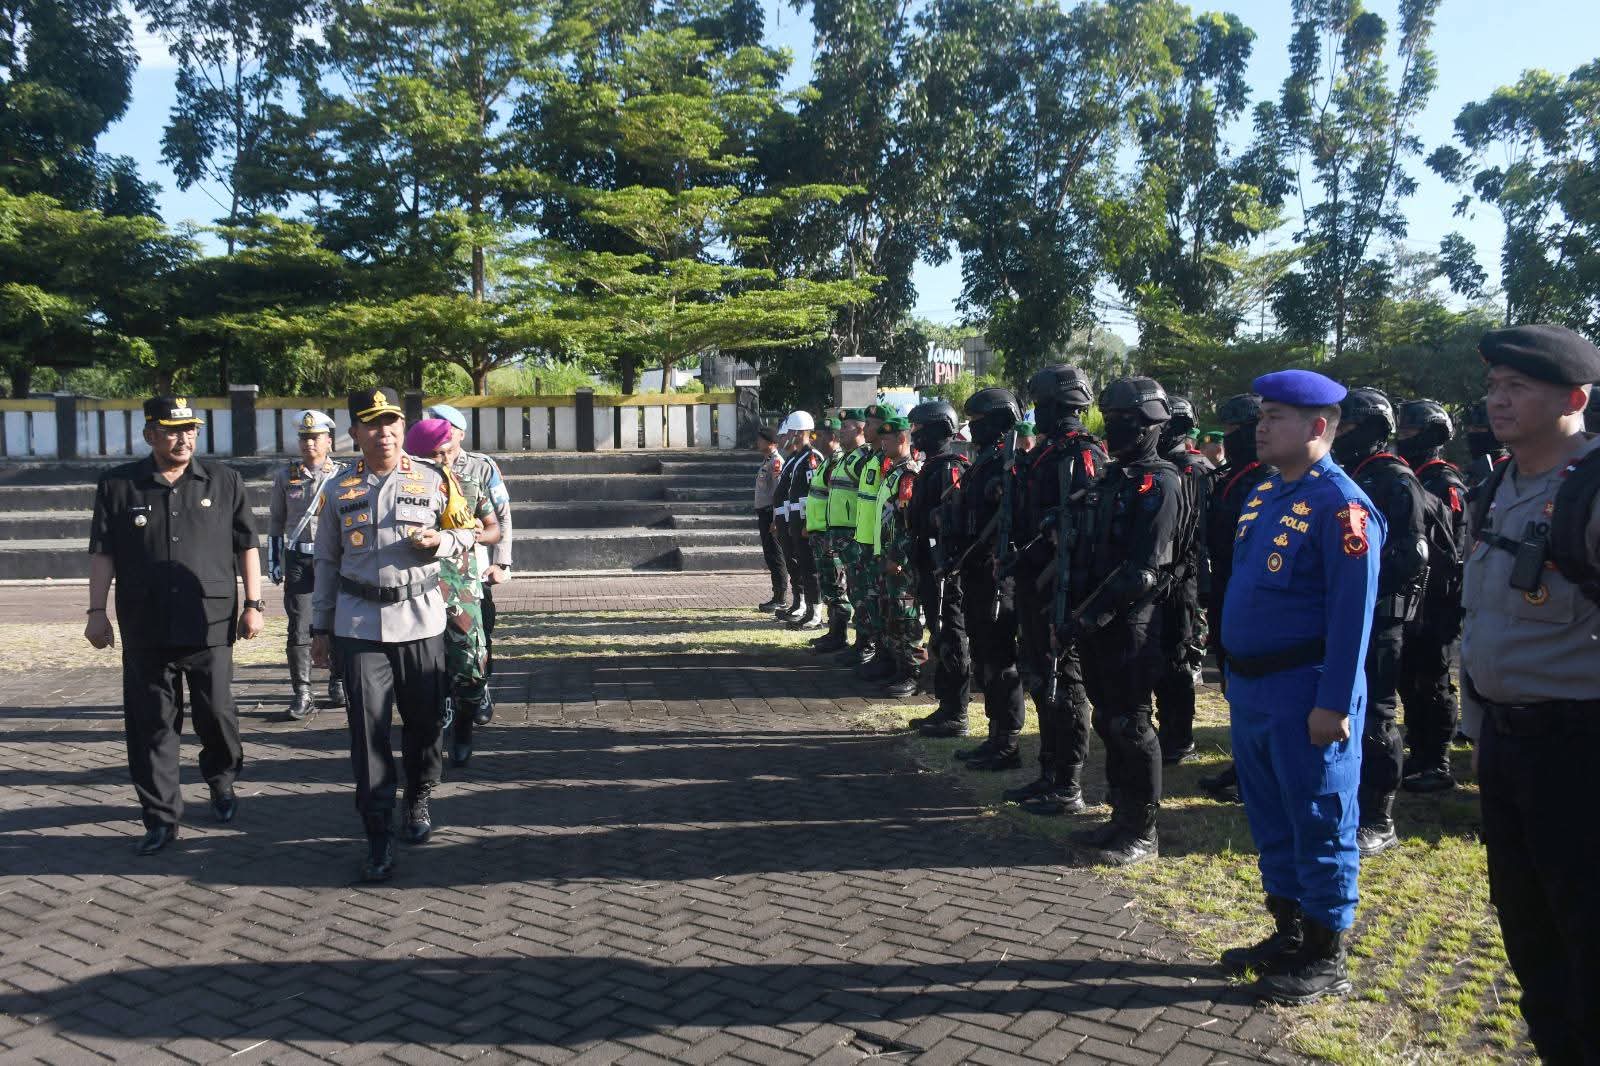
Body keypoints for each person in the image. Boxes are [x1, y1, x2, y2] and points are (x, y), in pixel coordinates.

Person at [1219, 368, 1383, 1005]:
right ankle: (1287, 932)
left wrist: (1334, 703)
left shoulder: (1343, 506)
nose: (1260, 427)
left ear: (1318, 426)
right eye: (1262, 415)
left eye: (1275, 418)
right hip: (1254, 688)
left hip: (1305, 689)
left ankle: (1324, 952)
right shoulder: (1265, 492)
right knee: (1271, 815)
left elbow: (1353, 619)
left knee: (1320, 817)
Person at [1460, 323, 1600, 1063]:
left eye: (1518, 387)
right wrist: (1478, 728)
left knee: (1587, 939)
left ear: (1575, 400)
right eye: (1493, 387)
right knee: (1529, 933)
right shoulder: (1495, 486)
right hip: (1505, 745)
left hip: (1579, 750)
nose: (1498, 400)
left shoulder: (1591, 493)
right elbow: (1482, 621)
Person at [310, 387, 479, 882]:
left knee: (425, 724)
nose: (383, 433)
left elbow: (469, 532)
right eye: (372, 424)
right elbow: (326, 562)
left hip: (420, 619)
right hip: (359, 624)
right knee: (367, 733)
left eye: (391, 423)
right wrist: (319, 627)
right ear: (354, 433)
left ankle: (419, 794)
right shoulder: (338, 489)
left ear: (402, 428)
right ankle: (377, 831)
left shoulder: (434, 477)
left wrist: (442, 540)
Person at [85, 396, 264, 855]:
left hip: (209, 621)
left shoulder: (224, 480)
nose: (183, 438)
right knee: (151, 726)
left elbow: (247, 545)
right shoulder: (118, 484)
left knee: (217, 714)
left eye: (190, 429)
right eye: (171, 430)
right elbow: (103, 551)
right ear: (150, 435)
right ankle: (161, 818)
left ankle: (222, 780)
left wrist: (254, 603)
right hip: (145, 623)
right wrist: (96, 611)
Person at [1065, 378, 1182, 866]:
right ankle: (1120, 815)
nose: (1113, 429)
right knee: (1108, 718)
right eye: (1109, 420)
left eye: (1125, 422)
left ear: (1151, 426)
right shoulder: (1114, 478)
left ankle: (1142, 830)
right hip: (1097, 619)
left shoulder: (1163, 481)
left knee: (1131, 723)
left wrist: (1089, 615)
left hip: (1134, 620)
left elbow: (1144, 569)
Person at [990, 365, 1107, 798]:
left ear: (1059, 406)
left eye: (1042, 405)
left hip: (1061, 586)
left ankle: (1067, 781)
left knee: (1065, 681)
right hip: (1032, 581)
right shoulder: (1045, 453)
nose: (1036, 413)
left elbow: (1085, 527)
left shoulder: (1082, 454)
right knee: (1040, 677)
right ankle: (1048, 769)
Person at [1331, 387, 1429, 858]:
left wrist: (1360, 584)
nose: (1340, 435)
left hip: (1382, 617)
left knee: (1376, 717)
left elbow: (1411, 554)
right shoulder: (1349, 474)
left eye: (1348, 427)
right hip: (1344, 615)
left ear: (1371, 429)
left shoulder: (1394, 478)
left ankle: (1378, 818)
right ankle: (1347, 800)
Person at [405, 417, 501, 769]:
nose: (443, 460)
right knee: (424, 671)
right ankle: (432, 734)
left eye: (447, 452)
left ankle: (463, 727)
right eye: (434, 455)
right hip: (416, 587)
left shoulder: (468, 483)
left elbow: (493, 528)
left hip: (461, 586)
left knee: (471, 667)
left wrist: (473, 534)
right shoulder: (405, 489)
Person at [1198, 394, 1279, 804]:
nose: (1228, 437)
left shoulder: (1268, 479)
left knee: (1256, 686)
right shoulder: (1235, 475)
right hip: (1226, 587)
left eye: (1235, 430)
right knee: (1232, 679)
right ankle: (1245, 761)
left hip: (1251, 591)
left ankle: (1259, 771)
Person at [933, 388, 1025, 742]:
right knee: (985, 655)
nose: (972, 428)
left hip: (995, 573)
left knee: (999, 659)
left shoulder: (1006, 464)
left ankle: (1007, 738)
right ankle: (995, 732)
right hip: (974, 570)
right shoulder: (984, 462)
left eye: (978, 421)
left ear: (998, 422)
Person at [1393, 399, 1468, 793]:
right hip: (1414, 598)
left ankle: (1437, 761)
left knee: (1434, 681)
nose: (1403, 438)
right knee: (1409, 678)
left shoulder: (1445, 482)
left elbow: (1453, 545)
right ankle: (1419, 751)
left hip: (1439, 600)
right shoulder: (1407, 475)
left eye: (1410, 432)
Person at [425, 403, 513, 712]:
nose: (440, 435)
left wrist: (501, 563)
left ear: (460, 433)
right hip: (435, 567)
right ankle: (448, 697)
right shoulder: (422, 465)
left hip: (475, 564)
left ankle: (480, 685)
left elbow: (501, 517)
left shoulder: (481, 467)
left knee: (479, 630)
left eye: (446, 429)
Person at [268, 410, 347, 721]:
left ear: (329, 441)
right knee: (299, 625)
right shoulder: (286, 476)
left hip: (333, 559)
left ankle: (338, 681)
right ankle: (302, 692)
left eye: (315, 437)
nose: (309, 443)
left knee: (338, 620)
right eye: (304, 437)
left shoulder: (342, 474)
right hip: (299, 560)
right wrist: (274, 561)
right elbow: (276, 521)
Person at [1153, 396, 1213, 765]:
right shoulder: (1166, 466)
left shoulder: (1193, 470)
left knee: (1178, 657)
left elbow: (1196, 534)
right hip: (1163, 578)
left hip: (1184, 580)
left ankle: (1179, 737)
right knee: (1162, 657)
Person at [905, 400, 971, 713]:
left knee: (951, 636)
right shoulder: (932, 466)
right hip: (928, 565)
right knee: (939, 633)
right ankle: (946, 705)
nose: (914, 434)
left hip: (944, 569)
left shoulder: (950, 468)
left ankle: (956, 710)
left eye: (919, 429)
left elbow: (952, 520)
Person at [873, 416, 922, 693]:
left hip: (900, 560)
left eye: (887, 439)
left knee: (906, 616)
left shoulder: (908, 474)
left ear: (902, 439)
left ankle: (913, 672)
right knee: (891, 615)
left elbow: (907, 522)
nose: (883, 444)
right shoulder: (892, 472)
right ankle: (897, 667)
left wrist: (898, 557)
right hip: (887, 555)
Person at [815, 410, 869, 653]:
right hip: (836, 533)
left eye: (846, 427)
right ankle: (838, 634)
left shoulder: (862, 459)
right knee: (841, 586)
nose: (841, 431)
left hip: (853, 535)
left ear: (860, 429)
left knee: (858, 590)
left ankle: (864, 644)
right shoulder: (845, 459)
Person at [851, 405, 892, 673]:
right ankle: (868, 647)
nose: (865, 428)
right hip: (864, 539)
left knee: (880, 601)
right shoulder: (871, 457)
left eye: (871, 423)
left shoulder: (887, 461)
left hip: (879, 543)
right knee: (865, 598)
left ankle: (881, 654)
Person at [782, 412, 824, 629]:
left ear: (800, 432)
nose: (788, 435)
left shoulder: (811, 457)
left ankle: (816, 613)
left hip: (807, 518)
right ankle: (809, 610)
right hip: (796, 517)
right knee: (804, 567)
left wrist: (808, 522)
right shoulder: (799, 456)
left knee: (810, 567)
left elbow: (812, 491)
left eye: (792, 431)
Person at [752, 426, 788, 611]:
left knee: (776, 556)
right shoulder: (767, 461)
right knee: (770, 555)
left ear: (771, 442)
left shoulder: (776, 462)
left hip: (770, 515)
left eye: (761, 439)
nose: (758, 442)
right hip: (764, 514)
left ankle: (780, 598)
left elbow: (778, 493)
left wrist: (775, 519)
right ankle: (777, 595)